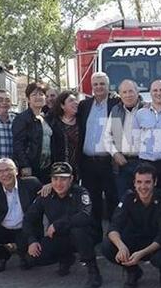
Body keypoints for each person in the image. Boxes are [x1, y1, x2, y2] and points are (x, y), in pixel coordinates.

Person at [22, 162, 103, 288]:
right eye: (55, 179)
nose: (59, 183)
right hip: (60, 236)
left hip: (85, 235)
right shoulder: (45, 195)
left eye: (63, 179)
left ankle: (93, 272)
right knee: (32, 259)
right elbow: (28, 219)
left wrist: (57, 224)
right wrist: (32, 240)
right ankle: (66, 257)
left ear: (71, 179)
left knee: (78, 230)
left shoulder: (80, 192)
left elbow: (84, 216)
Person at [101, 163, 161, 288]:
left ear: (155, 182)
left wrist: (141, 254)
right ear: (134, 183)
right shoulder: (128, 197)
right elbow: (113, 227)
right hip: (135, 240)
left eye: (147, 182)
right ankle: (133, 271)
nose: (143, 187)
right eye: (139, 182)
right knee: (108, 246)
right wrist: (121, 247)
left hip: (156, 244)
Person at [77, 72, 120, 242]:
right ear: (91, 87)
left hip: (109, 162)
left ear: (108, 86)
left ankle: (114, 237)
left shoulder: (116, 102)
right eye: (95, 84)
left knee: (113, 201)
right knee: (91, 202)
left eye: (102, 84)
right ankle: (94, 238)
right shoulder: (84, 105)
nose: (99, 87)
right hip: (88, 163)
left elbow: (135, 102)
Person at [104, 79, 144, 199]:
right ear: (119, 95)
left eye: (131, 91)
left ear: (137, 92)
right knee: (125, 200)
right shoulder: (115, 110)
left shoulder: (148, 109)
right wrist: (115, 154)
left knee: (145, 198)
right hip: (123, 164)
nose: (128, 95)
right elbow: (107, 136)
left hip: (143, 162)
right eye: (124, 92)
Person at [13, 82, 53, 183]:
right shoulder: (22, 119)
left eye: (41, 94)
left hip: (47, 167)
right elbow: (18, 144)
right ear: (28, 99)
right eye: (34, 94)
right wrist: (25, 165)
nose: (38, 97)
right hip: (31, 167)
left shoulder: (46, 118)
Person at [48, 90, 82, 178]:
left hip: (80, 169)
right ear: (62, 105)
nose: (76, 103)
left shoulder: (81, 121)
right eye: (71, 101)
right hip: (60, 170)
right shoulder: (53, 123)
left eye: (76, 100)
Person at [0, 88, 16, 161]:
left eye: (7, 100)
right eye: (0, 100)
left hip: (11, 167)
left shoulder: (16, 120)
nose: (4, 103)